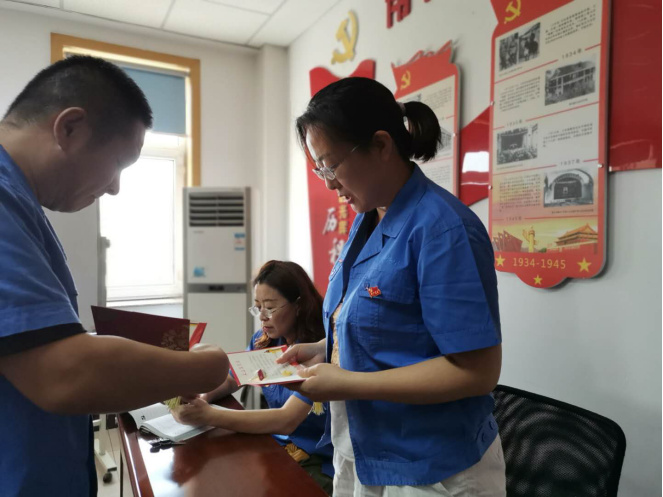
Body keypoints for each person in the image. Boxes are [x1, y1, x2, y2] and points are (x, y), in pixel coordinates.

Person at [0, 56, 229, 497]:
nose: (115, 187)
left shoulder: (23, 205)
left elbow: (35, 344)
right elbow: (63, 373)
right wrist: (204, 367)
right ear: (69, 128)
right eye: (119, 163)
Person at [278, 77, 506, 496]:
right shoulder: (369, 218)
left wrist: (346, 382)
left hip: (433, 469)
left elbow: (477, 372)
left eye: (330, 165)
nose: (328, 183)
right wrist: (324, 349)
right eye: (319, 169)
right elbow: (384, 324)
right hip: (363, 448)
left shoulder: (443, 229)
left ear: (381, 145)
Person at [173, 260, 334, 495]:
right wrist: (201, 398)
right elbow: (231, 378)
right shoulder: (265, 340)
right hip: (276, 445)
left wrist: (208, 415)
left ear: (298, 305)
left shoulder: (321, 351)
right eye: (257, 307)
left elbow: (286, 420)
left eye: (270, 307)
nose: (262, 317)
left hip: (316, 459)